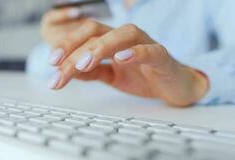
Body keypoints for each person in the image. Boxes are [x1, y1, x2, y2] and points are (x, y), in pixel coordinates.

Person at [26, 0, 235, 107]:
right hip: (101, 114)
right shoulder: (93, 7)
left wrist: (196, 80)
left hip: (180, 118)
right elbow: (36, 67)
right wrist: (59, 46)